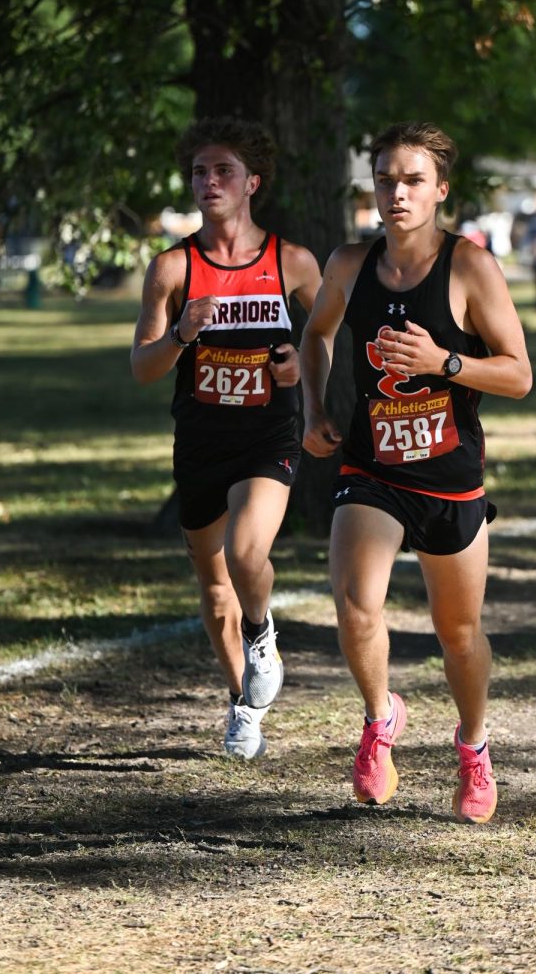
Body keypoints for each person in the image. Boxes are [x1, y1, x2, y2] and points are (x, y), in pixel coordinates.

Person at [300, 120, 532, 824]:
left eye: (411, 181)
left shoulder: (470, 267)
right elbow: (314, 334)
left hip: (449, 475)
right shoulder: (347, 263)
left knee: (456, 631)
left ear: (439, 191)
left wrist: (444, 364)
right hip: (371, 465)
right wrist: (314, 407)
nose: (396, 193)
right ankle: (379, 721)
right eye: (384, 179)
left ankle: (472, 747)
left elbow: (518, 375)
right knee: (354, 600)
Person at [131, 117, 321, 759]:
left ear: (251, 184)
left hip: (268, 435)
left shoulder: (290, 262)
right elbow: (142, 368)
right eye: (199, 172)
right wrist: (182, 333)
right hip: (200, 442)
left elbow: (324, 339)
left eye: (223, 171)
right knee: (215, 593)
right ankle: (244, 703)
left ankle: (262, 635)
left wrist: (298, 365)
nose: (208, 182)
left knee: (246, 554)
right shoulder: (172, 266)